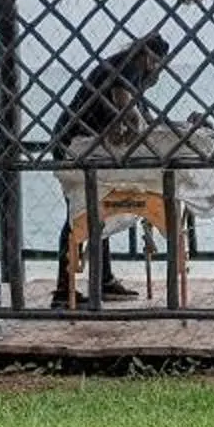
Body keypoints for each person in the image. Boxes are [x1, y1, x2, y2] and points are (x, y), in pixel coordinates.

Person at [51, 33, 173, 305]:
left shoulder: (130, 71)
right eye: (157, 64)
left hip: (76, 141)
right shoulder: (128, 66)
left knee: (95, 208)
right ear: (148, 57)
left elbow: (142, 117)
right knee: (78, 212)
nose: (157, 70)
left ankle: (103, 281)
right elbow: (128, 111)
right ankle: (63, 289)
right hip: (73, 144)